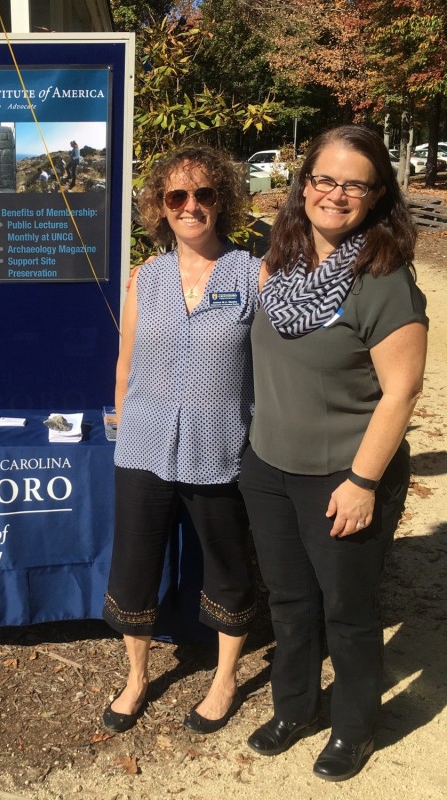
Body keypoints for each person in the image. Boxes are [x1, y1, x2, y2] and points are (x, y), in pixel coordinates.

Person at [239, 125, 428, 781]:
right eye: (324, 178)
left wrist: (362, 481)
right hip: (269, 464)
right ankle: (295, 707)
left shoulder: (383, 281)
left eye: (355, 184)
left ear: (377, 197)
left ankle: (353, 726)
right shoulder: (282, 259)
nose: (335, 194)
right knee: (290, 600)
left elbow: (401, 391)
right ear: (304, 182)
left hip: (343, 474)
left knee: (347, 610)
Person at [102, 145, 261, 736]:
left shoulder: (252, 273)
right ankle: (138, 676)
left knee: (226, 565)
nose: (191, 206)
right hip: (143, 445)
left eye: (204, 194)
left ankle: (224, 679)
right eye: (177, 196)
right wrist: (122, 426)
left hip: (220, 446)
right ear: (160, 207)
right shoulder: (146, 278)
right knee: (135, 565)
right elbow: (126, 364)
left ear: (222, 201)